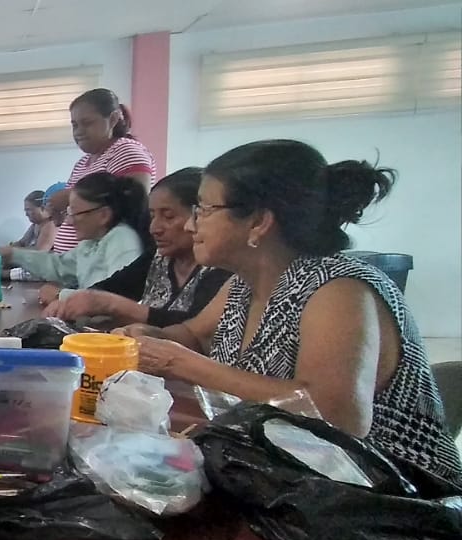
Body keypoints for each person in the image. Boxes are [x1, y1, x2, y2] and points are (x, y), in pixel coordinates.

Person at [118, 140, 460, 481]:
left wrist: (178, 362)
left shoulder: (339, 289)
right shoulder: (244, 283)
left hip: (387, 490)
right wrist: (146, 338)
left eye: (205, 210)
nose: (192, 226)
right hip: (286, 474)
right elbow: (193, 335)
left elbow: (338, 418)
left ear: (259, 221)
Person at [45, 168, 231, 327]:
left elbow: (196, 329)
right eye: (153, 216)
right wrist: (77, 301)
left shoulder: (221, 269)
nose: (154, 228)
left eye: (168, 216)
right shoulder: (160, 258)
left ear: (199, 215)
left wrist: (114, 305)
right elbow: (116, 286)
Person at [1, 171, 152, 305]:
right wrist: (13, 254)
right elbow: (59, 265)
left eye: (75, 213)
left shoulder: (122, 239)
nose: (69, 221)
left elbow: (118, 295)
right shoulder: (90, 243)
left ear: (103, 215)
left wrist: (61, 295)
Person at [48, 89, 156, 254]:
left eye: (87, 123)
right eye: (75, 125)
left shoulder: (126, 152)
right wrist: (62, 214)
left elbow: (134, 207)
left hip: (108, 261)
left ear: (113, 119)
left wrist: (70, 197)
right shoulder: (82, 163)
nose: (78, 131)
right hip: (76, 263)